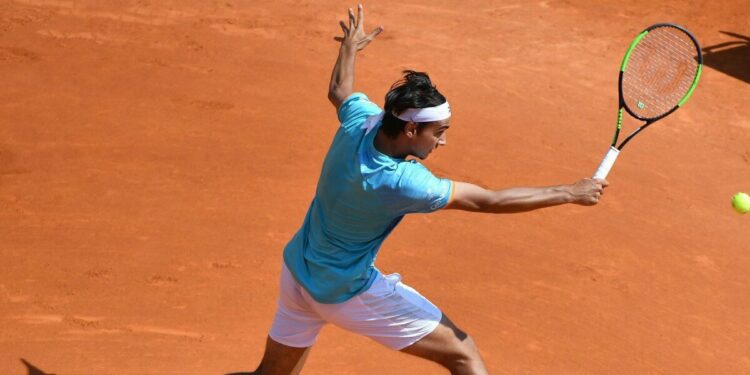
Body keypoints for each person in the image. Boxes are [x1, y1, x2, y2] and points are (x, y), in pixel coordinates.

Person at [253, 5, 608, 375]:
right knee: (463, 353)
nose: (442, 143)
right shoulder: (402, 182)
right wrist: (571, 192)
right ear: (410, 130)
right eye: (438, 133)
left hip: (297, 273)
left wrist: (349, 48)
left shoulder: (361, 122)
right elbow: (489, 201)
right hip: (344, 292)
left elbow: (339, 89)